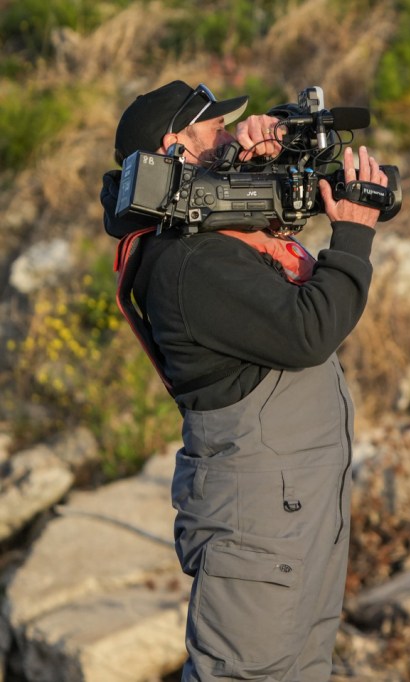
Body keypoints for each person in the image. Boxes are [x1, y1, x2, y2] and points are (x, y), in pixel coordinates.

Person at [98, 80, 389, 680]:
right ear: (175, 148)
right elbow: (310, 330)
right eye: (217, 129)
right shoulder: (191, 261)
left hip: (293, 515)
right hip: (257, 524)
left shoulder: (208, 238)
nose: (231, 134)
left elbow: (270, 227)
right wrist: (355, 233)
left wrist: (269, 157)